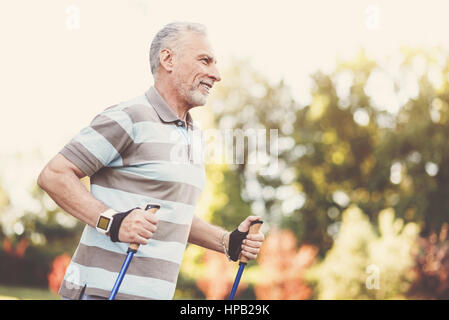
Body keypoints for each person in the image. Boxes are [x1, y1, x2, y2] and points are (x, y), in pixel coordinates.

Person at [37, 22, 265, 300]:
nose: (216, 74)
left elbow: (173, 213)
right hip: (101, 293)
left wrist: (227, 242)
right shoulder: (127, 117)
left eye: (215, 64)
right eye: (205, 60)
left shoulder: (194, 135)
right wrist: (114, 222)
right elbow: (54, 175)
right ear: (168, 59)